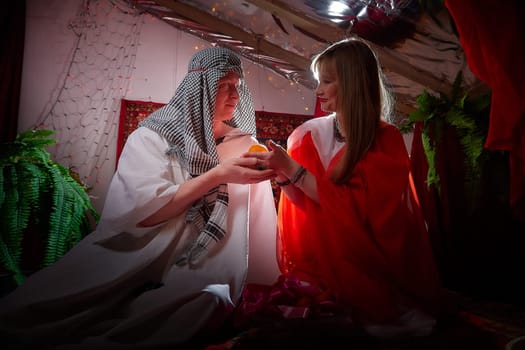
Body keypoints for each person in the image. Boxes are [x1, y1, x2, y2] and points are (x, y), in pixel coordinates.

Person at [0, 46, 280, 348]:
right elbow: (139, 214)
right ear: (200, 87)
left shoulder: (245, 146)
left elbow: (257, 227)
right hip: (136, 252)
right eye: (224, 85)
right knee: (38, 309)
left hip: (201, 262)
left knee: (209, 301)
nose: (234, 95)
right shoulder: (152, 138)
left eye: (237, 86)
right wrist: (218, 175)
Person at [244, 38, 445, 339]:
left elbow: (359, 214)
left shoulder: (386, 140)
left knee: (396, 324)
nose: (318, 91)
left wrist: (293, 170)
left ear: (352, 84)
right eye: (318, 81)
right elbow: (308, 210)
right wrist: (282, 174)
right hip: (320, 258)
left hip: (369, 262)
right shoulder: (306, 135)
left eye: (326, 82)